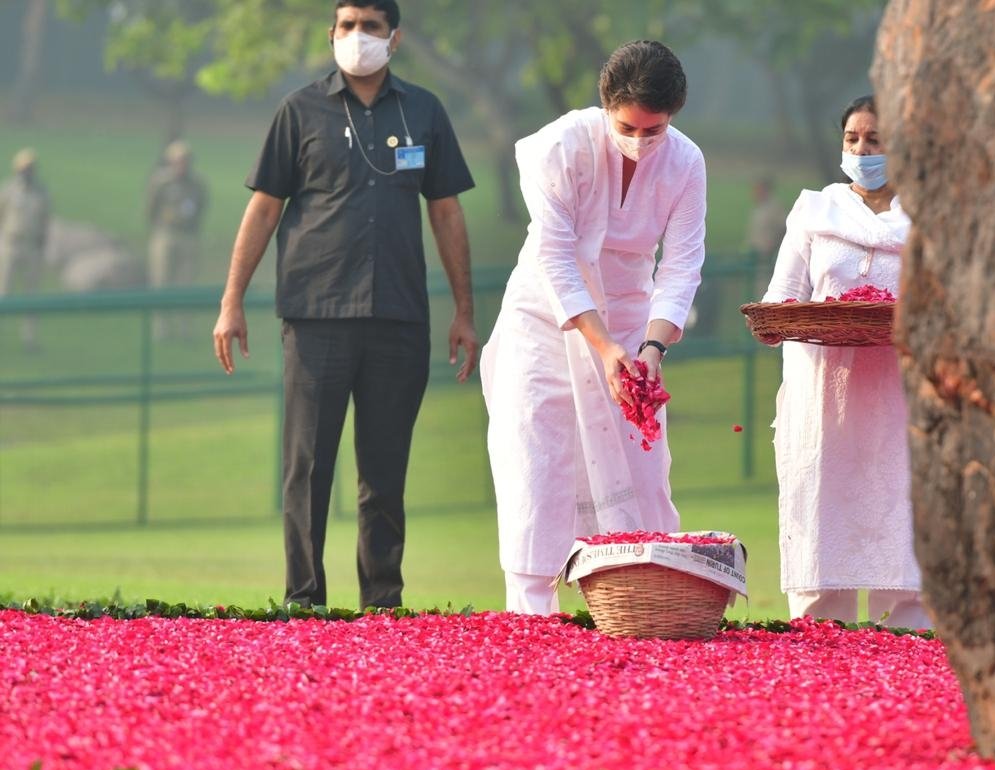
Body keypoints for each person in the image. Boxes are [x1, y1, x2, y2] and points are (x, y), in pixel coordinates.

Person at [212, 0, 477, 609]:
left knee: (384, 471)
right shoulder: (299, 110)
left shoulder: (424, 112)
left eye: (372, 28)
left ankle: (382, 601)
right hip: (316, 314)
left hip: (398, 316)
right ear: (331, 34)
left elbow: (445, 211)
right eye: (348, 26)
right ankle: (304, 598)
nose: (359, 37)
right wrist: (232, 301)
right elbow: (263, 208)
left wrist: (463, 311)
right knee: (306, 468)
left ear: (395, 38)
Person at [480, 40, 706, 616]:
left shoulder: (685, 162)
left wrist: (649, 349)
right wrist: (600, 345)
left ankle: (646, 609)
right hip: (547, 321)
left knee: (643, 467)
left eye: (655, 130)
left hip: (632, 319)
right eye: (629, 126)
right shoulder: (560, 146)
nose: (641, 140)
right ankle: (533, 611)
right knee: (538, 457)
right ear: (606, 106)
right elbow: (555, 255)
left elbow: (681, 265)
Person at [762, 96, 930, 630]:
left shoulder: (930, 217)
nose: (861, 150)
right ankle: (819, 649)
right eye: (852, 139)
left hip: (902, 399)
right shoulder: (816, 211)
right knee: (821, 520)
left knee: (902, 523)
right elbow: (782, 299)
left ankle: (908, 644)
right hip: (824, 401)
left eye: (874, 140)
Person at [147, 139, 208, 339]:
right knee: (162, 281)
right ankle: (161, 329)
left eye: (185, 160)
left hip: (188, 236)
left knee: (186, 282)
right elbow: (151, 208)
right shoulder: (161, 182)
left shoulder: (197, 183)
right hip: (166, 235)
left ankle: (184, 329)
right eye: (178, 160)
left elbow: (202, 206)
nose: (182, 164)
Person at [0, 148, 51, 351]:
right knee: (4, 292)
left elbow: (45, 220)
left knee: (31, 295)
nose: (28, 171)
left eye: (31, 167)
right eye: (25, 168)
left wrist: (41, 244)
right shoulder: (8, 191)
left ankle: (30, 338)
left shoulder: (41, 193)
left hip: (32, 246)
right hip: (11, 244)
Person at [744, 176, 787, 289]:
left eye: (758, 189)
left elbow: (784, 228)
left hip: (768, 260)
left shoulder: (775, 207)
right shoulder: (757, 209)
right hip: (756, 258)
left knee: (765, 289)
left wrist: (773, 247)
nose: (755, 192)